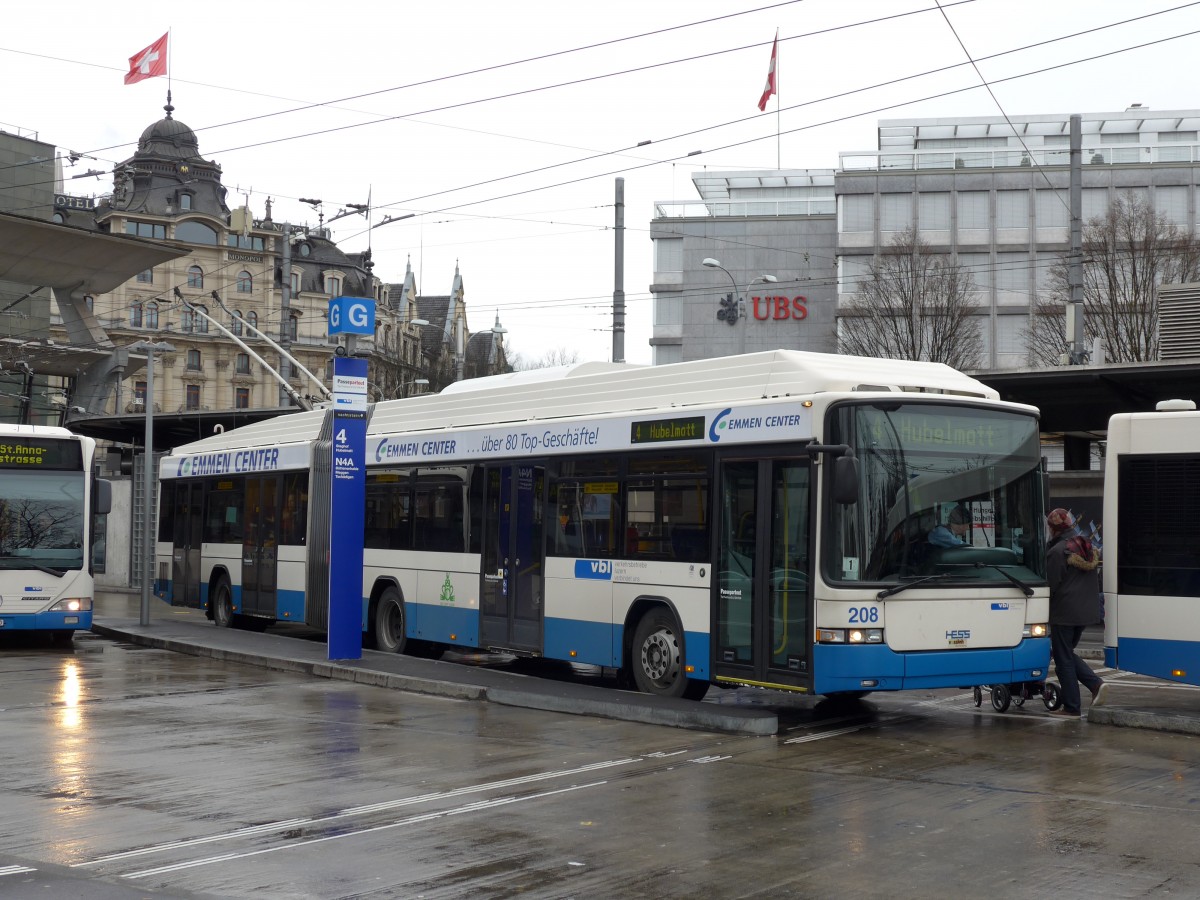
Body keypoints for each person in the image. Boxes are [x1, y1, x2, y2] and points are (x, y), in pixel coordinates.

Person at [1045, 507, 1104, 718]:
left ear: (1053, 529)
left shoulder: (1057, 552)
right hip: (1086, 613)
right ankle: (1095, 684)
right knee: (1066, 653)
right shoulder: (1086, 546)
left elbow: (1050, 586)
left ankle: (1072, 706)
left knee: (1063, 660)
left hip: (1065, 613)